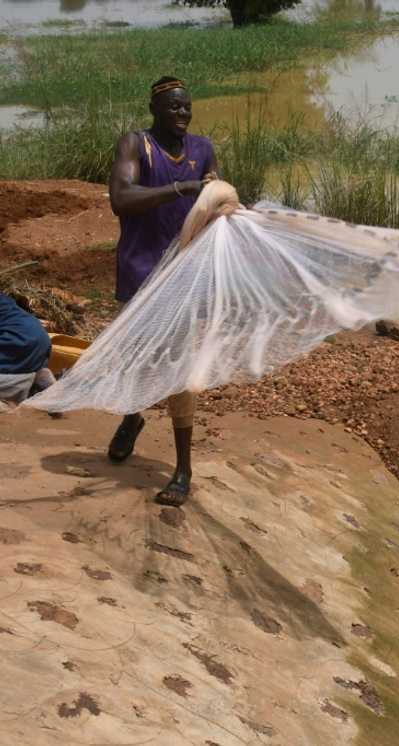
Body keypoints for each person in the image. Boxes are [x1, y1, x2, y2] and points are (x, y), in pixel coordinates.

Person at [106, 76, 218, 506]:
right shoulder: (136, 145)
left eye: (187, 107)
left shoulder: (202, 149)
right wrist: (178, 189)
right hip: (139, 270)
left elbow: (214, 200)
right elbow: (121, 197)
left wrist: (220, 203)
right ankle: (132, 419)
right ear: (154, 109)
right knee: (134, 358)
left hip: (184, 276)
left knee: (179, 373)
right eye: (174, 108)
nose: (183, 115)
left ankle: (183, 469)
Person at [0, 292, 53, 405]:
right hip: (39, 336)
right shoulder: (4, 299)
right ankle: (38, 376)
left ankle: (29, 388)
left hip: (19, 339)